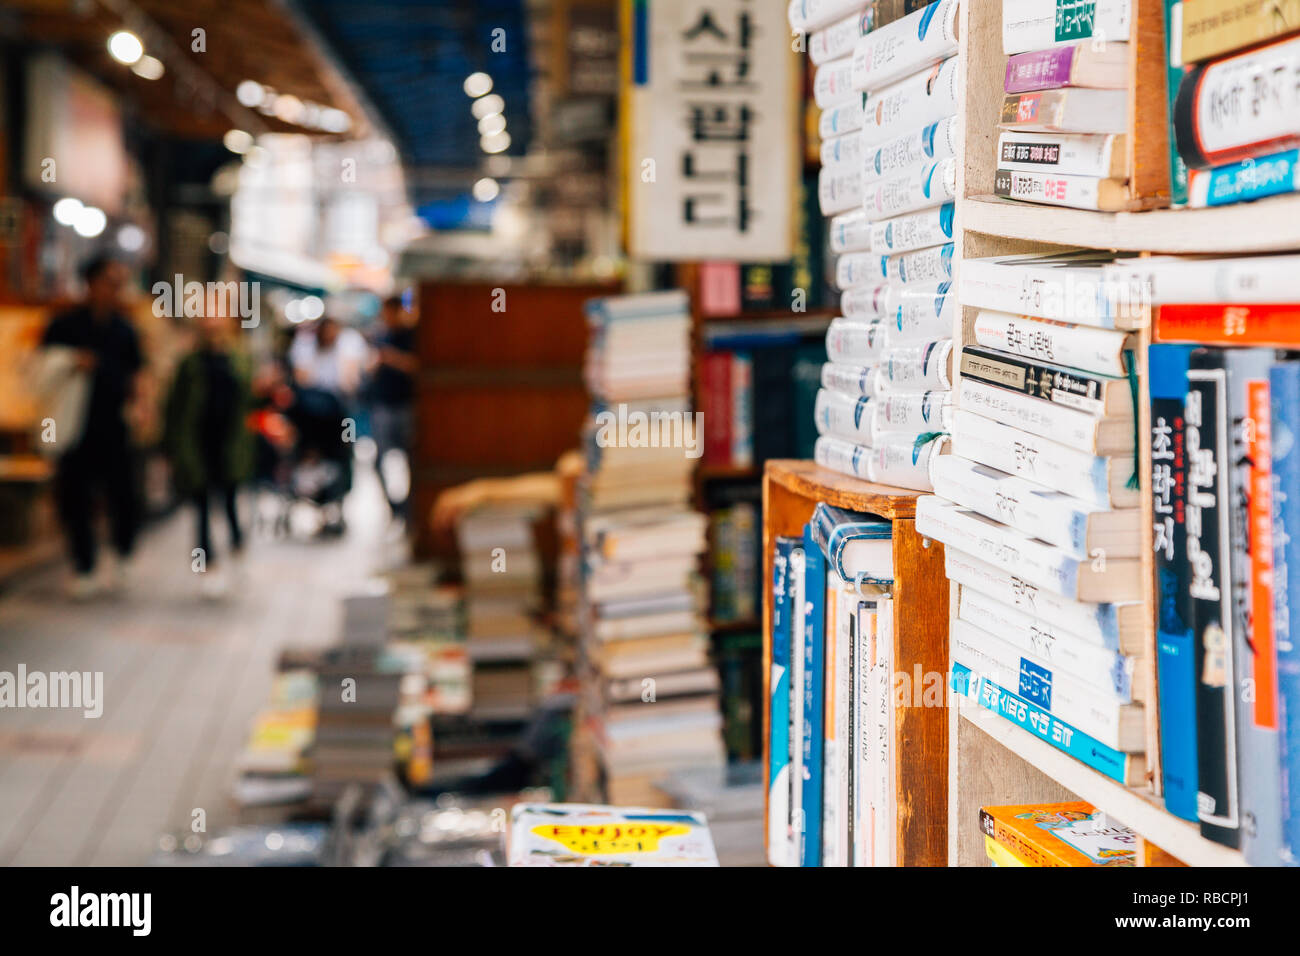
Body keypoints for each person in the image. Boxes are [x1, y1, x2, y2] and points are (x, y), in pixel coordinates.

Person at [40, 254, 143, 599]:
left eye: (119, 284)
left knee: (123, 497)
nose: (114, 291)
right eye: (109, 283)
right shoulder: (65, 325)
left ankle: (122, 556)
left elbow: (136, 375)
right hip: (72, 426)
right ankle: (83, 566)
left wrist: (143, 408)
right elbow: (40, 369)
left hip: (114, 426)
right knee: (75, 499)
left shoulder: (125, 329)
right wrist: (73, 362)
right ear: (91, 283)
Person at [164, 311, 255, 599]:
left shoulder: (239, 360)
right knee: (201, 510)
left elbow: (249, 401)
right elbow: (174, 406)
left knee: (229, 502)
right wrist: (172, 447)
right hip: (198, 445)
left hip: (230, 445)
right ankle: (206, 568)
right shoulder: (190, 364)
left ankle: (238, 546)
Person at [367, 295, 417, 518]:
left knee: (412, 458)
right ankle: (394, 506)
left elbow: (416, 367)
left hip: (405, 405)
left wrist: (392, 359)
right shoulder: (381, 336)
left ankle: (409, 507)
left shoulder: (411, 336)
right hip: (382, 405)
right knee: (378, 460)